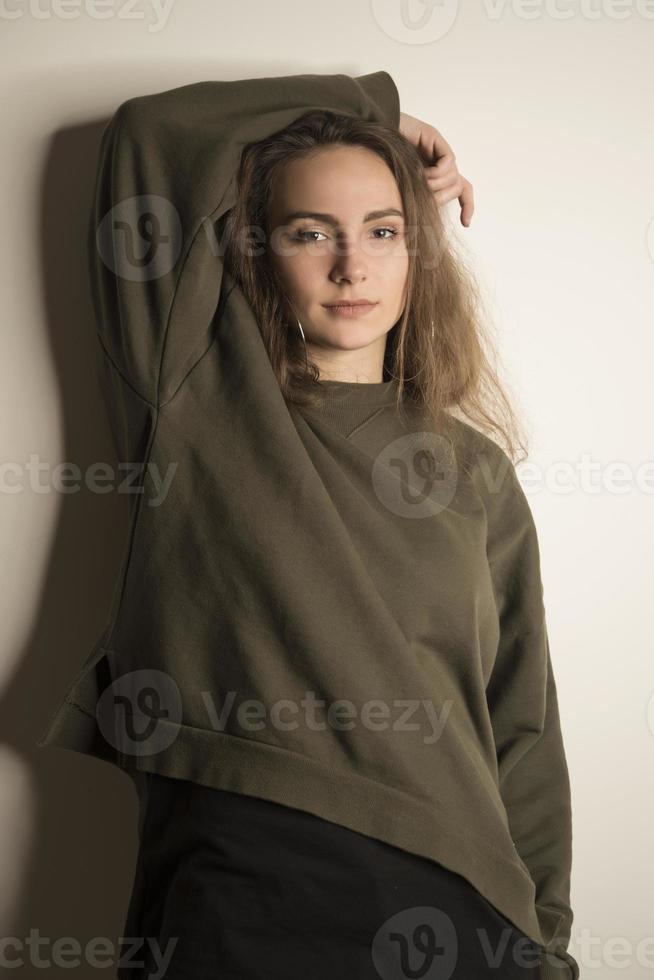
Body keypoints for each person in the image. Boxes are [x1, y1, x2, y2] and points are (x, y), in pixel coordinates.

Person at [37, 70, 578, 980]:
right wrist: (374, 109)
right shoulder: (193, 400)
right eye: (308, 232)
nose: (351, 266)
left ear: (418, 253)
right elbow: (146, 132)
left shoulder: (472, 468)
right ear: (256, 249)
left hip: (468, 898)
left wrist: (548, 942)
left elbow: (521, 725)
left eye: (383, 231)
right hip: (250, 880)